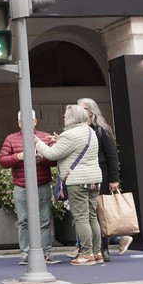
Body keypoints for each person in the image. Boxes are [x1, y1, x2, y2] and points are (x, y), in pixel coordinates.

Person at [35, 104, 103, 266]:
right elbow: (76, 147)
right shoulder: (90, 131)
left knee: (81, 218)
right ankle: (97, 252)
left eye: (65, 115)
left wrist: (38, 142)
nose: (63, 117)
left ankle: (86, 254)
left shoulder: (69, 135)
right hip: (94, 179)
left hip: (77, 181)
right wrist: (60, 140)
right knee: (92, 216)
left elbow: (51, 154)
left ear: (72, 117)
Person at [0, 110, 58, 265]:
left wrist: (42, 159)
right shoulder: (11, 139)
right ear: (19, 123)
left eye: (30, 120)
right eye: (23, 121)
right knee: (23, 221)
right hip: (21, 186)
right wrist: (17, 157)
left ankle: (46, 253)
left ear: (35, 121)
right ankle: (25, 253)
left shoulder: (45, 137)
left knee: (44, 220)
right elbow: (2, 161)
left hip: (42, 184)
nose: (27, 123)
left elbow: (55, 160)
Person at [78, 98, 130, 257]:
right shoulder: (79, 130)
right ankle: (91, 247)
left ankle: (104, 248)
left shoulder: (101, 130)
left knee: (101, 212)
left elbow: (112, 156)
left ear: (91, 111)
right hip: (85, 175)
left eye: (82, 108)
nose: (79, 111)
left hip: (102, 175)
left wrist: (114, 179)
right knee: (89, 212)